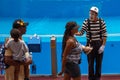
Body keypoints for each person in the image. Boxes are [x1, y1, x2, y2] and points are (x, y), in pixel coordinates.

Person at [76, 6, 107, 80]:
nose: (91, 15)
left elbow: (104, 35)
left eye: (93, 14)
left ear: (96, 15)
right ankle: (91, 78)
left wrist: (103, 46)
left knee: (99, 63)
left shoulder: (101, 22)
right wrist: (74, 33)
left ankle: (98, 78)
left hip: (99, 44)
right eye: (90, 13)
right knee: (90, 63)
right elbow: (81, 32)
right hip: (89, 44)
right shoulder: (86, 22)